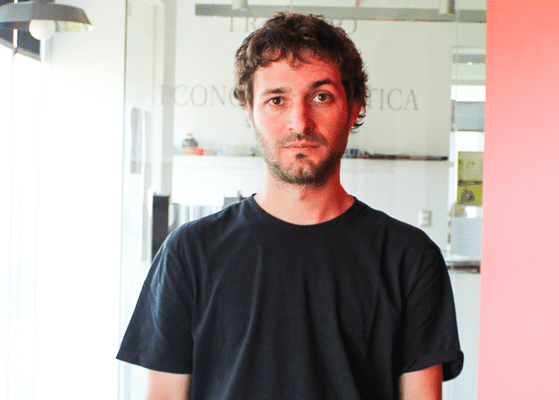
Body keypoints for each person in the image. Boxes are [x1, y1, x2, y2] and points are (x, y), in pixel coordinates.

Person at [117, 12, 463, 400]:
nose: (300, 122)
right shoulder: (189, 252)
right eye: (277, 100)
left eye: (321, 96)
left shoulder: (409, 258)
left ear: (354, 108)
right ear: (250, 111)